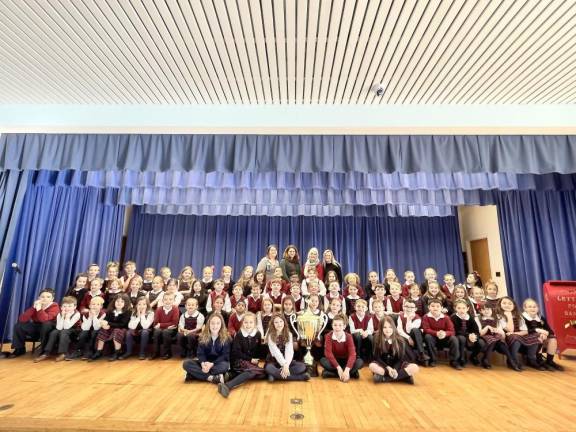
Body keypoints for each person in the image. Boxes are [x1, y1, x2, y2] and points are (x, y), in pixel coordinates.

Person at [217, 312, 266, 398]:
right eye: (246, 322)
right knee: (254, 372)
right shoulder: (239, 334)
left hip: (250, 362)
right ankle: (228, 385)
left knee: (262, 374)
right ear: (243, 323)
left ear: (254, 323)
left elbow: (257, 350)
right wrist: (250, 360)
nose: (248, 325)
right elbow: (236, 353)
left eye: (251, 322)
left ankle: (232, 375)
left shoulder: (257, 334)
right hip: (238, 360)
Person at [8, 288, 59, 358]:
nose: (45, 299)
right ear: (39, 298)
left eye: (48, 297)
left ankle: (44, 350)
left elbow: (45, 319)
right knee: (18, 326)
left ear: (52, 299)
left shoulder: (55, 306)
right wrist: (33, 308)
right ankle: (19, 349)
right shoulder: (37, 305)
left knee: (46, 324)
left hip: (50, 327)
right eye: (42, 297)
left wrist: (39, 309)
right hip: (38, 326)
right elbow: (22, 319)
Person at [498, 296, 544, 370]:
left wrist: (517, 334)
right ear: (500, 305)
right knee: (515, 338)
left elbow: (525, 331)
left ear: (514, 306)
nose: (507, 305)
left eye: (510, 303)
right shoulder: (499, 316)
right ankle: (513, 360)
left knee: (536, 336)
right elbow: (510, 329)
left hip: (518, 334)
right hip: (506, 337)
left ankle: (531, 359)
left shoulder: (518, 316)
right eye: (504, 303)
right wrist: (509, 316)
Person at [182, 313, 231, 384]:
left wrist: (212, 364)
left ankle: (194, 374)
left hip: (218, 363)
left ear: (221, 325)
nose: (215, 326)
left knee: (225, 366)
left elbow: (225, 355)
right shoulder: (203, 336)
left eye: (218, 323)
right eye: (212, 323)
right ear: (209, 324)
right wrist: (202, 363)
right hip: (205, 362)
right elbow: (200, 353)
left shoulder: (226, 337)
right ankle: (211, 378)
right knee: (186, 363)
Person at [370, 316, 419, 384]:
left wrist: (395, 369)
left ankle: (384, 379)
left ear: (393, 327)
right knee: (372, 366)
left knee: (415, 367)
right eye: (385, 327)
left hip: (397, 366)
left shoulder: (400, 339)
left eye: (390, 327)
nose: (388, 330)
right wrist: (388, 368)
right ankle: (403, 377)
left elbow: (400, 359)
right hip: (383, 365)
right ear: (381, 328)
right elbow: (377, 357)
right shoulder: (376, 338)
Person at [265, 313, 310, 382]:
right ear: (273, 324)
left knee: (302, 367)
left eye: (281, 321)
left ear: (284, 322)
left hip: (286, 361)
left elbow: (289, 351)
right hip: (273, 361)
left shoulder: (289, 334)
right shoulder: (270, 336)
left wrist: (286, 365)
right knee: (269, 368)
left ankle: (275, 375)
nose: (279, 324)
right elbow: (276, 353)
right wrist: (284, 365)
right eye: (276, 322)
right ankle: (300, 377)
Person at [35, 296, 81, 362]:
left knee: (64, 332)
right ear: (61, 307)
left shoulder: (77, 314)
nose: (67, 308)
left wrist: (67, 317)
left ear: (75, 307)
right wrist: (62, 317)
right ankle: (46, 353)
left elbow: (67, 327)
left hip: (74, 331)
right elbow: (58, 327)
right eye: (65, 306)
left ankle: (62, 353)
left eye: (70, 306)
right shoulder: (60, 314)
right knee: (54, 332)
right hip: (63, 330)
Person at [522, 298, 564, 371]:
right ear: (525, 308)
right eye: (530, 307)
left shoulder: (541, 318)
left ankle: (549, 361)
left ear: (538, 308)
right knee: (539, 337)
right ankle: (539, 360)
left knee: (552, 339)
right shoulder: (522, 318)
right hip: (527, 341)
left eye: (535, 306)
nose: (532, 308)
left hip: (541, 338)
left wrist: (546, 333)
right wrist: (539, 333)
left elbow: (550, 331)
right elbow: (523, 331)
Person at [320, 314, 363, 381]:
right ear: (332, 326)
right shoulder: (328, 336)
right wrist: (338, 368)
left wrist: (347, 369)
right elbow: (328, 354)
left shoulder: (348, 336)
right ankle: (351, 374)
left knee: (359, 362)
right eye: (335, 325)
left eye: (340, 325)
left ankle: (332, 374)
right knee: (322, 361)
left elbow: (352, 354)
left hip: (346, 360)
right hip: (334, 361)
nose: (337, 327)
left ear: (344, 326)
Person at [91, 293, 131, 361]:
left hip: (121, 329)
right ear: (114, 302)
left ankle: (117, 351)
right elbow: (106, 320)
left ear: (125, 303)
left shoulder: (127, 312)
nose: (119, 303)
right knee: (103, 330)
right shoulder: (110, 311)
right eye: (117, 301)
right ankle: (99, 351)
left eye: (122, 301)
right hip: (111, 327)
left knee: (116, 331)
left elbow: (122, 324)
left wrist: (108, 323)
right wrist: (104, 325)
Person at [478, 304, 519, 370]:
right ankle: (486, 359)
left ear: (491, 310)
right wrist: (487, 327)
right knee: (493, 340)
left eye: (488, 309)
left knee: (501, 343)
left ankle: (511, 361)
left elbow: (502, 334)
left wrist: (498, 331)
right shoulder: (479, 318)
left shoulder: (497, 318)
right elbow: (480, 333)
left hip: (495, 336)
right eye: (483, 309)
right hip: (485, 336)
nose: (486, 311)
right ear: (480, 311)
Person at [422, 298, 460, 369]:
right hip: (433, 339)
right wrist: (437, 333)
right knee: (427, 336)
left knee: (454, 338)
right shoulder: (426, 317)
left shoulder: (446, 318)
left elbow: (452, 331)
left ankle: (454, 361)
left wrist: (444, 333)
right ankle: (433, 360)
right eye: (432, 306)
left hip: (444, 338)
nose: (435, 308)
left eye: (437, 306)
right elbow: (426, 329)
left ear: (441, 308)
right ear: (429, 307)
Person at [68, 296, 106, 360]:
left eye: (98, 304)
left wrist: (94, 317)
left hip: (98, 330)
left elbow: (96, 327)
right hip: (87, 329)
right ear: (90, 306)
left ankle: (90, 351)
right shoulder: (85, 314)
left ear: (101, 306)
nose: (95, 306)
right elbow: (85, 328)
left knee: (94, 332)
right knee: (83, 333)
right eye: (93, 304)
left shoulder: (103, 314)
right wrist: (90, 317)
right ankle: (78, 350)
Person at [451, 299, 485, 367]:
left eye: (464, 308)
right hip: (459, 336)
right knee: (462, 338)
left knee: (481, 343)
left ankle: (473, 356)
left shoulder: (470, 318)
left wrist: (474, 336)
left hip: (470, 337)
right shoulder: (454, 317)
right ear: (455, 309)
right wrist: (468, 335)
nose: (461, 310)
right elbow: (457, 331)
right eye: (459, 308)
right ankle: (461, 358)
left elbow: (476, 331)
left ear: (467, 308)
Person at [120, 295, 154, 360]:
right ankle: (128, 351)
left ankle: (142, 352)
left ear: (147, 305)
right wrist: (138, 316)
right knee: (128, 332)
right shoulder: (134, 312)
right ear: (136, 305)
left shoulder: (151, 313)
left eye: (144, 304)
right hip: (136, 331)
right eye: (139, 304)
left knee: (144, 332)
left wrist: (143, 315)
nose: (141, 306)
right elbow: (131, 326)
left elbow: (145, 326)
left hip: (146, 332)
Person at [396, 299, 428, 365]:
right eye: (407, 306)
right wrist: (408, 338)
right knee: (401, 339)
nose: (408, 309)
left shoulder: (417, 318)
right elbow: (399, 330)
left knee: (415, 330)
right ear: (403, 307)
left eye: (411, 307)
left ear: (415, 309)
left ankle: (421, 353)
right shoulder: (401, 316)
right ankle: (412, 359)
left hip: (415, 339)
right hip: (405, 337)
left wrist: (409, 320)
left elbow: (409, 330)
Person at [151, 292, 180, 359]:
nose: (168, 301)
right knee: (157, 332)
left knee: (166, 332)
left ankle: (167, 353)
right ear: (162, 301)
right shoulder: (159, 309)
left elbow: (174, 323)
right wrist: (165, 325)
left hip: (172, 329)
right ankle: (156, 352)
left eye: (170, 299)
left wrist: (161, 324)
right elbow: (155, 323)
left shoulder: (175, 309)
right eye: (166, 299)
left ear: (173, 301)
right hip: (161, 329)